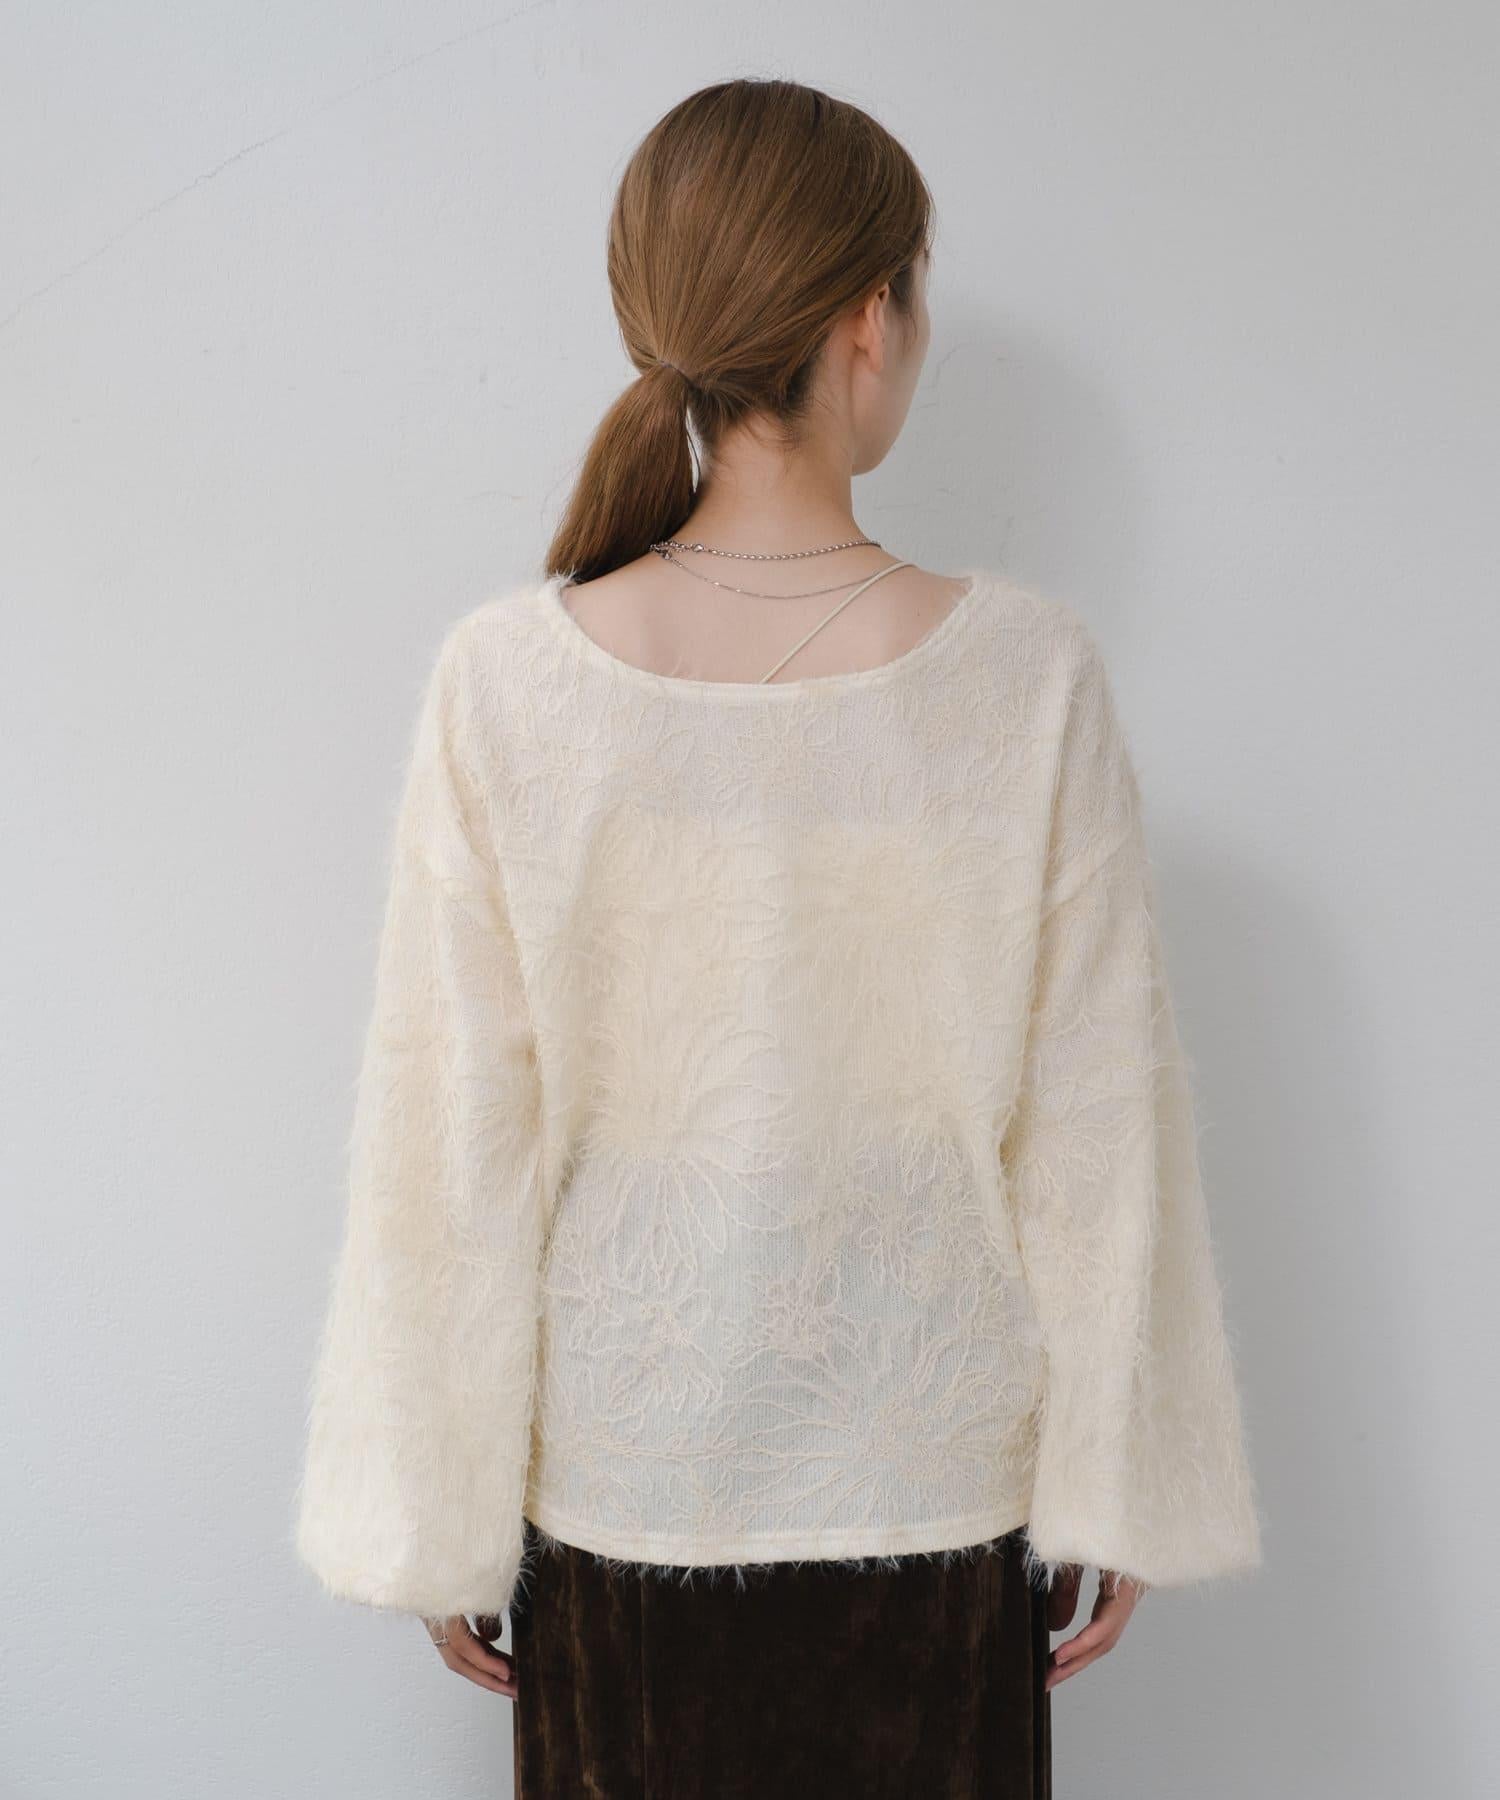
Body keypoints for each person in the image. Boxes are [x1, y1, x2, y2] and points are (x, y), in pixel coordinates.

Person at [292, 76, 1262, 1797]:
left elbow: (453, 1136)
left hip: (619, 1520)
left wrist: (435, 1508)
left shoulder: (508, 685)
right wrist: (1118, 1477)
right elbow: (1095, 1122)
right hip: (936, 1515)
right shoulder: (1023, 681)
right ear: (869, 320)